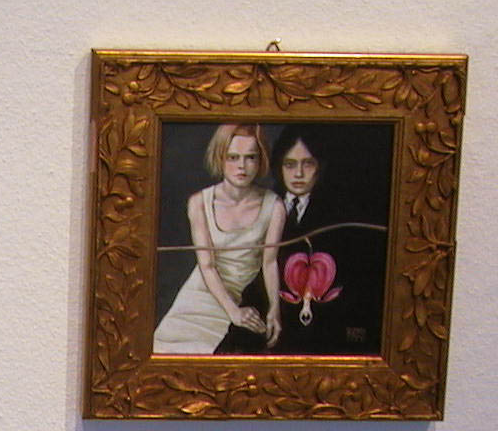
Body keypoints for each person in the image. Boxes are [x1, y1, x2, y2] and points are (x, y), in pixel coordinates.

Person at [152, 124, 286, 354]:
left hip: (239, 296)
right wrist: (233, 312)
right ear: (220, 157)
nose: (241, 166)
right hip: (199, 296)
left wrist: (275, 308)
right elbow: (207, 266)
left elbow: (270, 262)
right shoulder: (199, 202)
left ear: (260, 160)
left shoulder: (274, 206)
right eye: (233, 157)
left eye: (250, 157)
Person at [264, 126, 385, 354]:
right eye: (290, 164)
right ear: (279, 167)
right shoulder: (266, 206)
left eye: (308, 164)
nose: (298, 174)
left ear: (319, 167)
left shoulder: (337, 213)